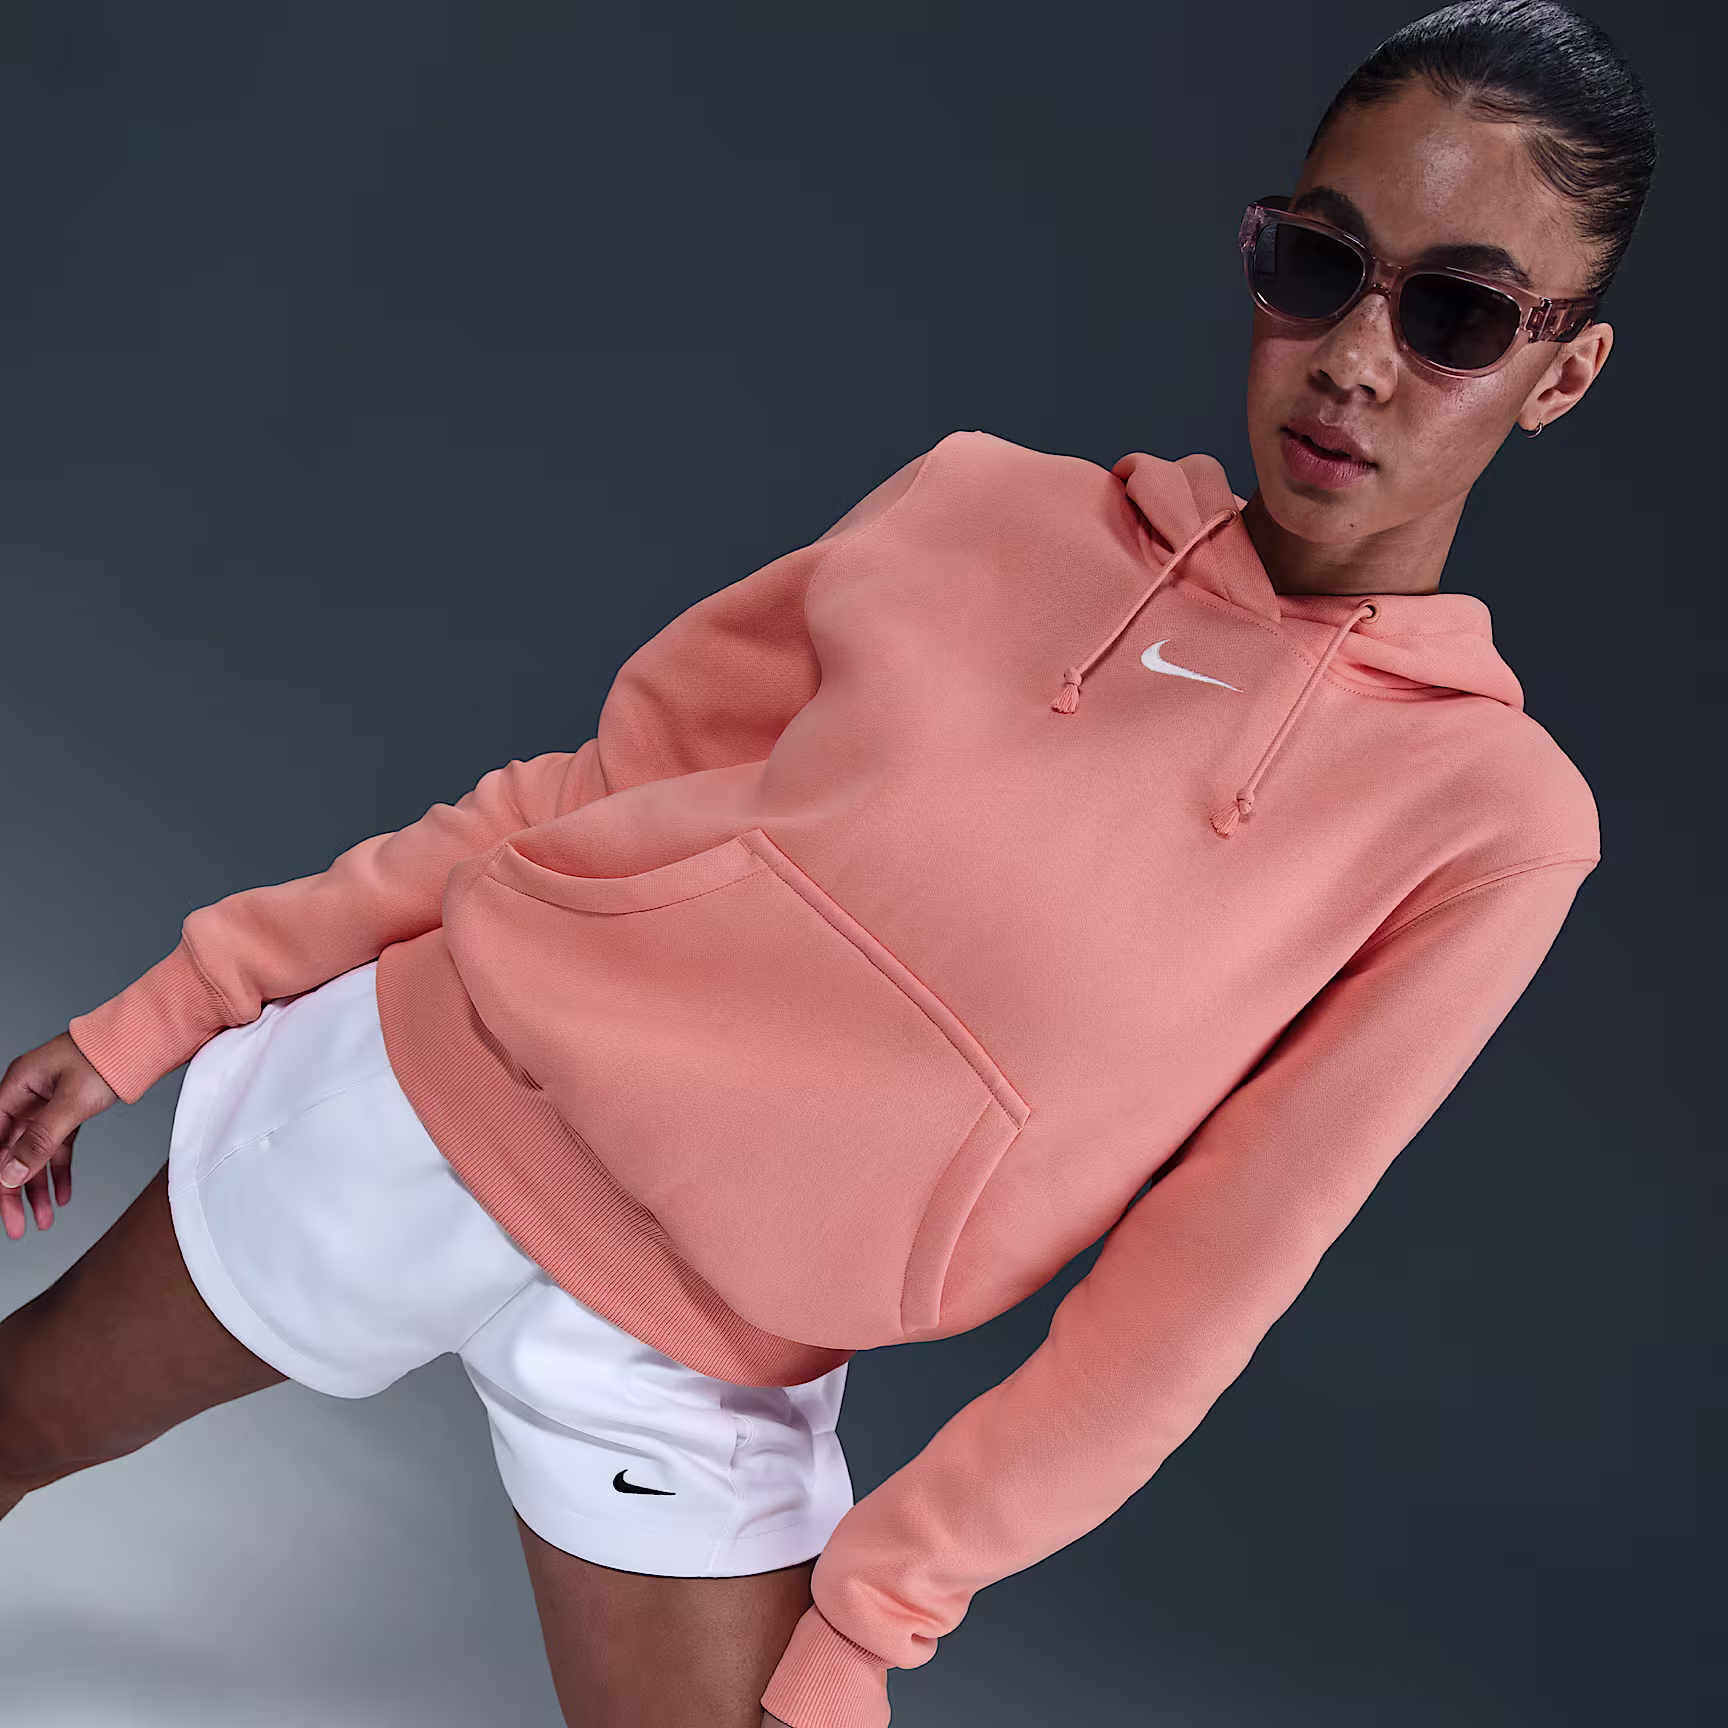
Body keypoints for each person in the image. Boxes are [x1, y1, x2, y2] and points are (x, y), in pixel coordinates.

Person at [0, 3, 1656, 1725]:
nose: (1356, 359)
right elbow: (578, 795)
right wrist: (157, 1014)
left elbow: (1202, 1287)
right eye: (1321, 266)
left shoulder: (1483, 823)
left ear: (1563, 372)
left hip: (702, 1363)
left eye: (1458, 315)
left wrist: (877, 1613)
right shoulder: (981, 508)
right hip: (420, 1103)